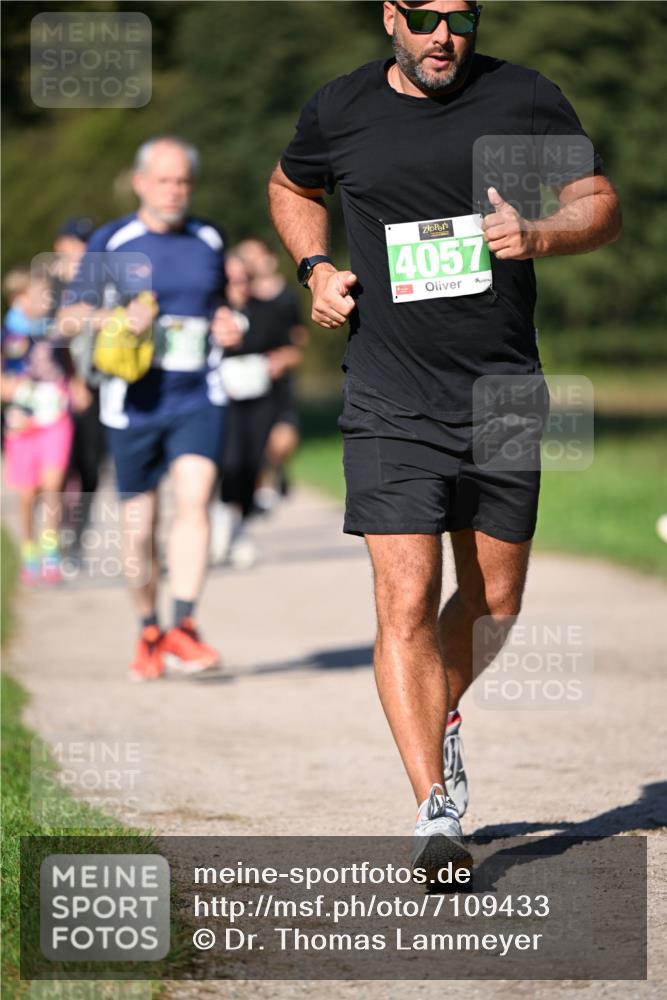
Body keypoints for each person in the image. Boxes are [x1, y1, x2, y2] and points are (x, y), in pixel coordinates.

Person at [269, 0, 621, 874]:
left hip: (501, 393)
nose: (443, 36)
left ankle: (437, 710)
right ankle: (434, 811)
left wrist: (540, 231)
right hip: (388, 392)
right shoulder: (339, 107)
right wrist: (315, 267)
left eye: (460, 19)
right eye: (425, 17)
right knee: (405, 600)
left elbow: (600, 204)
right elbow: (291, 184)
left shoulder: (523, 98)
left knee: (496, 606)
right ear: (390, 15)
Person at [57, 136, 244, 681]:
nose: (175, 190)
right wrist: (115, 321)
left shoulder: (209, 236)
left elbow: (222, 309)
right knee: (139, 529)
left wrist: (233, 325)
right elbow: (69, 319)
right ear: (140, 183)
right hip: (132, 401)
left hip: (197, 394)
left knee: (195, 501)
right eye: (164, 180)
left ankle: (184, 625)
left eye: (183, 180)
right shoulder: (112, 240)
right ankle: (149, 628)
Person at [1, 266, 75, 584]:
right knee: (28, 495)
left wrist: (76, 385)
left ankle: (51, 554)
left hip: (56, 418)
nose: (45, 301)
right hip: (21, 423)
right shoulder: (8, 333)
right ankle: (29, 551)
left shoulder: (54, 330)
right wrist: (15, 390)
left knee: (52, 488)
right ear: (21, 299)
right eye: (38, 296)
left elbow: (68, 361)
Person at [234, 238, 309, 510]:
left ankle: (273, 473)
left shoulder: (287, 296)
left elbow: (298, 338)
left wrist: (285, 358)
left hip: (279, 378)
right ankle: (258, 486)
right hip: (246, 380)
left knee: (284, 436)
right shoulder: (241, 298)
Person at [51, 217, 107, 556]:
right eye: (75, 243)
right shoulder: (49, 285)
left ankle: (76, 539)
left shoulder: (99, 284)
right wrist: (73, 381)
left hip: (96, 383)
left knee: (89, 469)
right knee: (56, 474)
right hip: (60, 389)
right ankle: (51, 542)